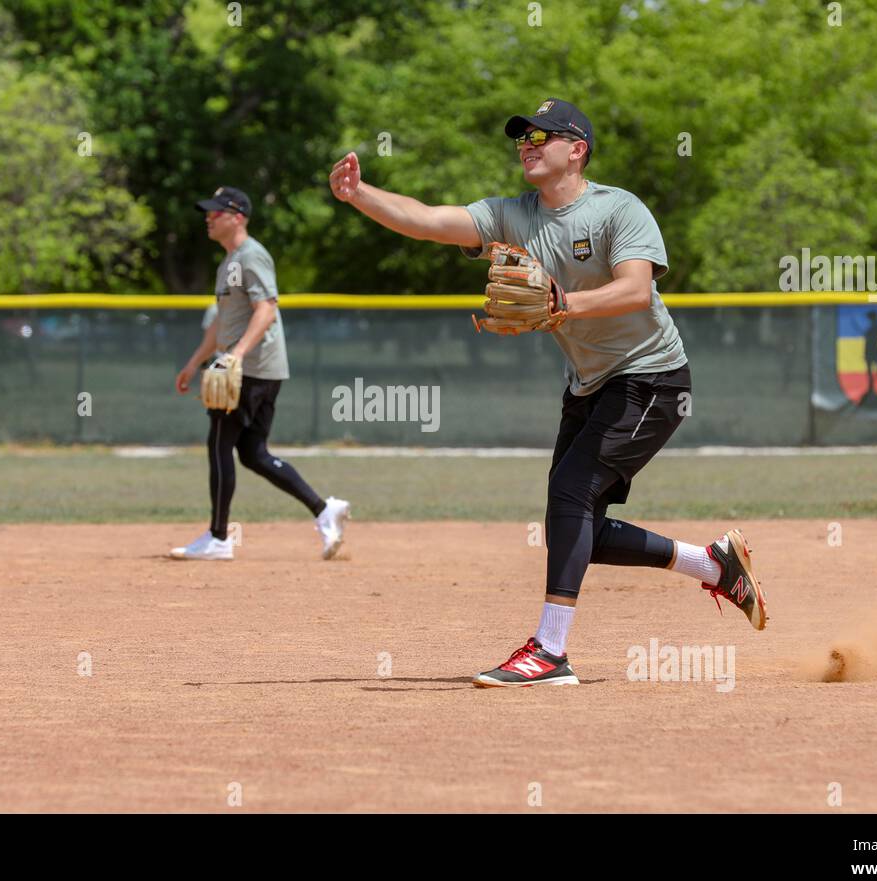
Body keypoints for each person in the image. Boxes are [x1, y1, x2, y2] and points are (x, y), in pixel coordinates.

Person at [328, 99, 767, 687]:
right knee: (573, 522)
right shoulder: (513, 215)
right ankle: (710, 564)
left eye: (541, 134)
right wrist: (360, 195)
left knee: (569, 494)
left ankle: (550, 651)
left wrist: (566, 303)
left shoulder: (618, 209)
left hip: (653, 378)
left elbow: (635, 290)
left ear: (577, 149)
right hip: (589, 384)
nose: (527, 143)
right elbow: (430, 220)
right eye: (521, 137)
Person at [173, 186, 350, 561]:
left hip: (250, 369)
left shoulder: (252, 256)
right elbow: (222, 320)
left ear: (237, 216)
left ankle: (219, 538)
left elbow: (266, 309)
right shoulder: (231, 261)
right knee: (253, 453)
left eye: (216, 212)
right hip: (258, 368)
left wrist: (234, 356)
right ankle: (324, 510)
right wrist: (194, 363)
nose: (209, 217)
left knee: (219, 443)